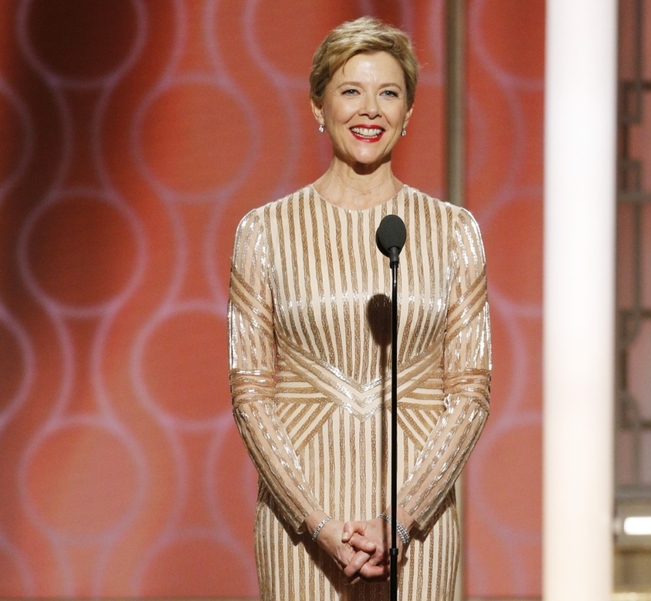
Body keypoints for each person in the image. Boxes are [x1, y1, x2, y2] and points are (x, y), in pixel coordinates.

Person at [228, 15, 491, 601]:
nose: (370, 109)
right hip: (302, 521)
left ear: (409, 113)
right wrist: (318, 524)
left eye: (388, 93)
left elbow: (470, 389)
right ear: (319, 107)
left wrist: (400, 518)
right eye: (351, 90)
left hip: (417, 524)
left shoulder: (453, 232)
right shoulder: (264, 232)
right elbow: (251, 390)